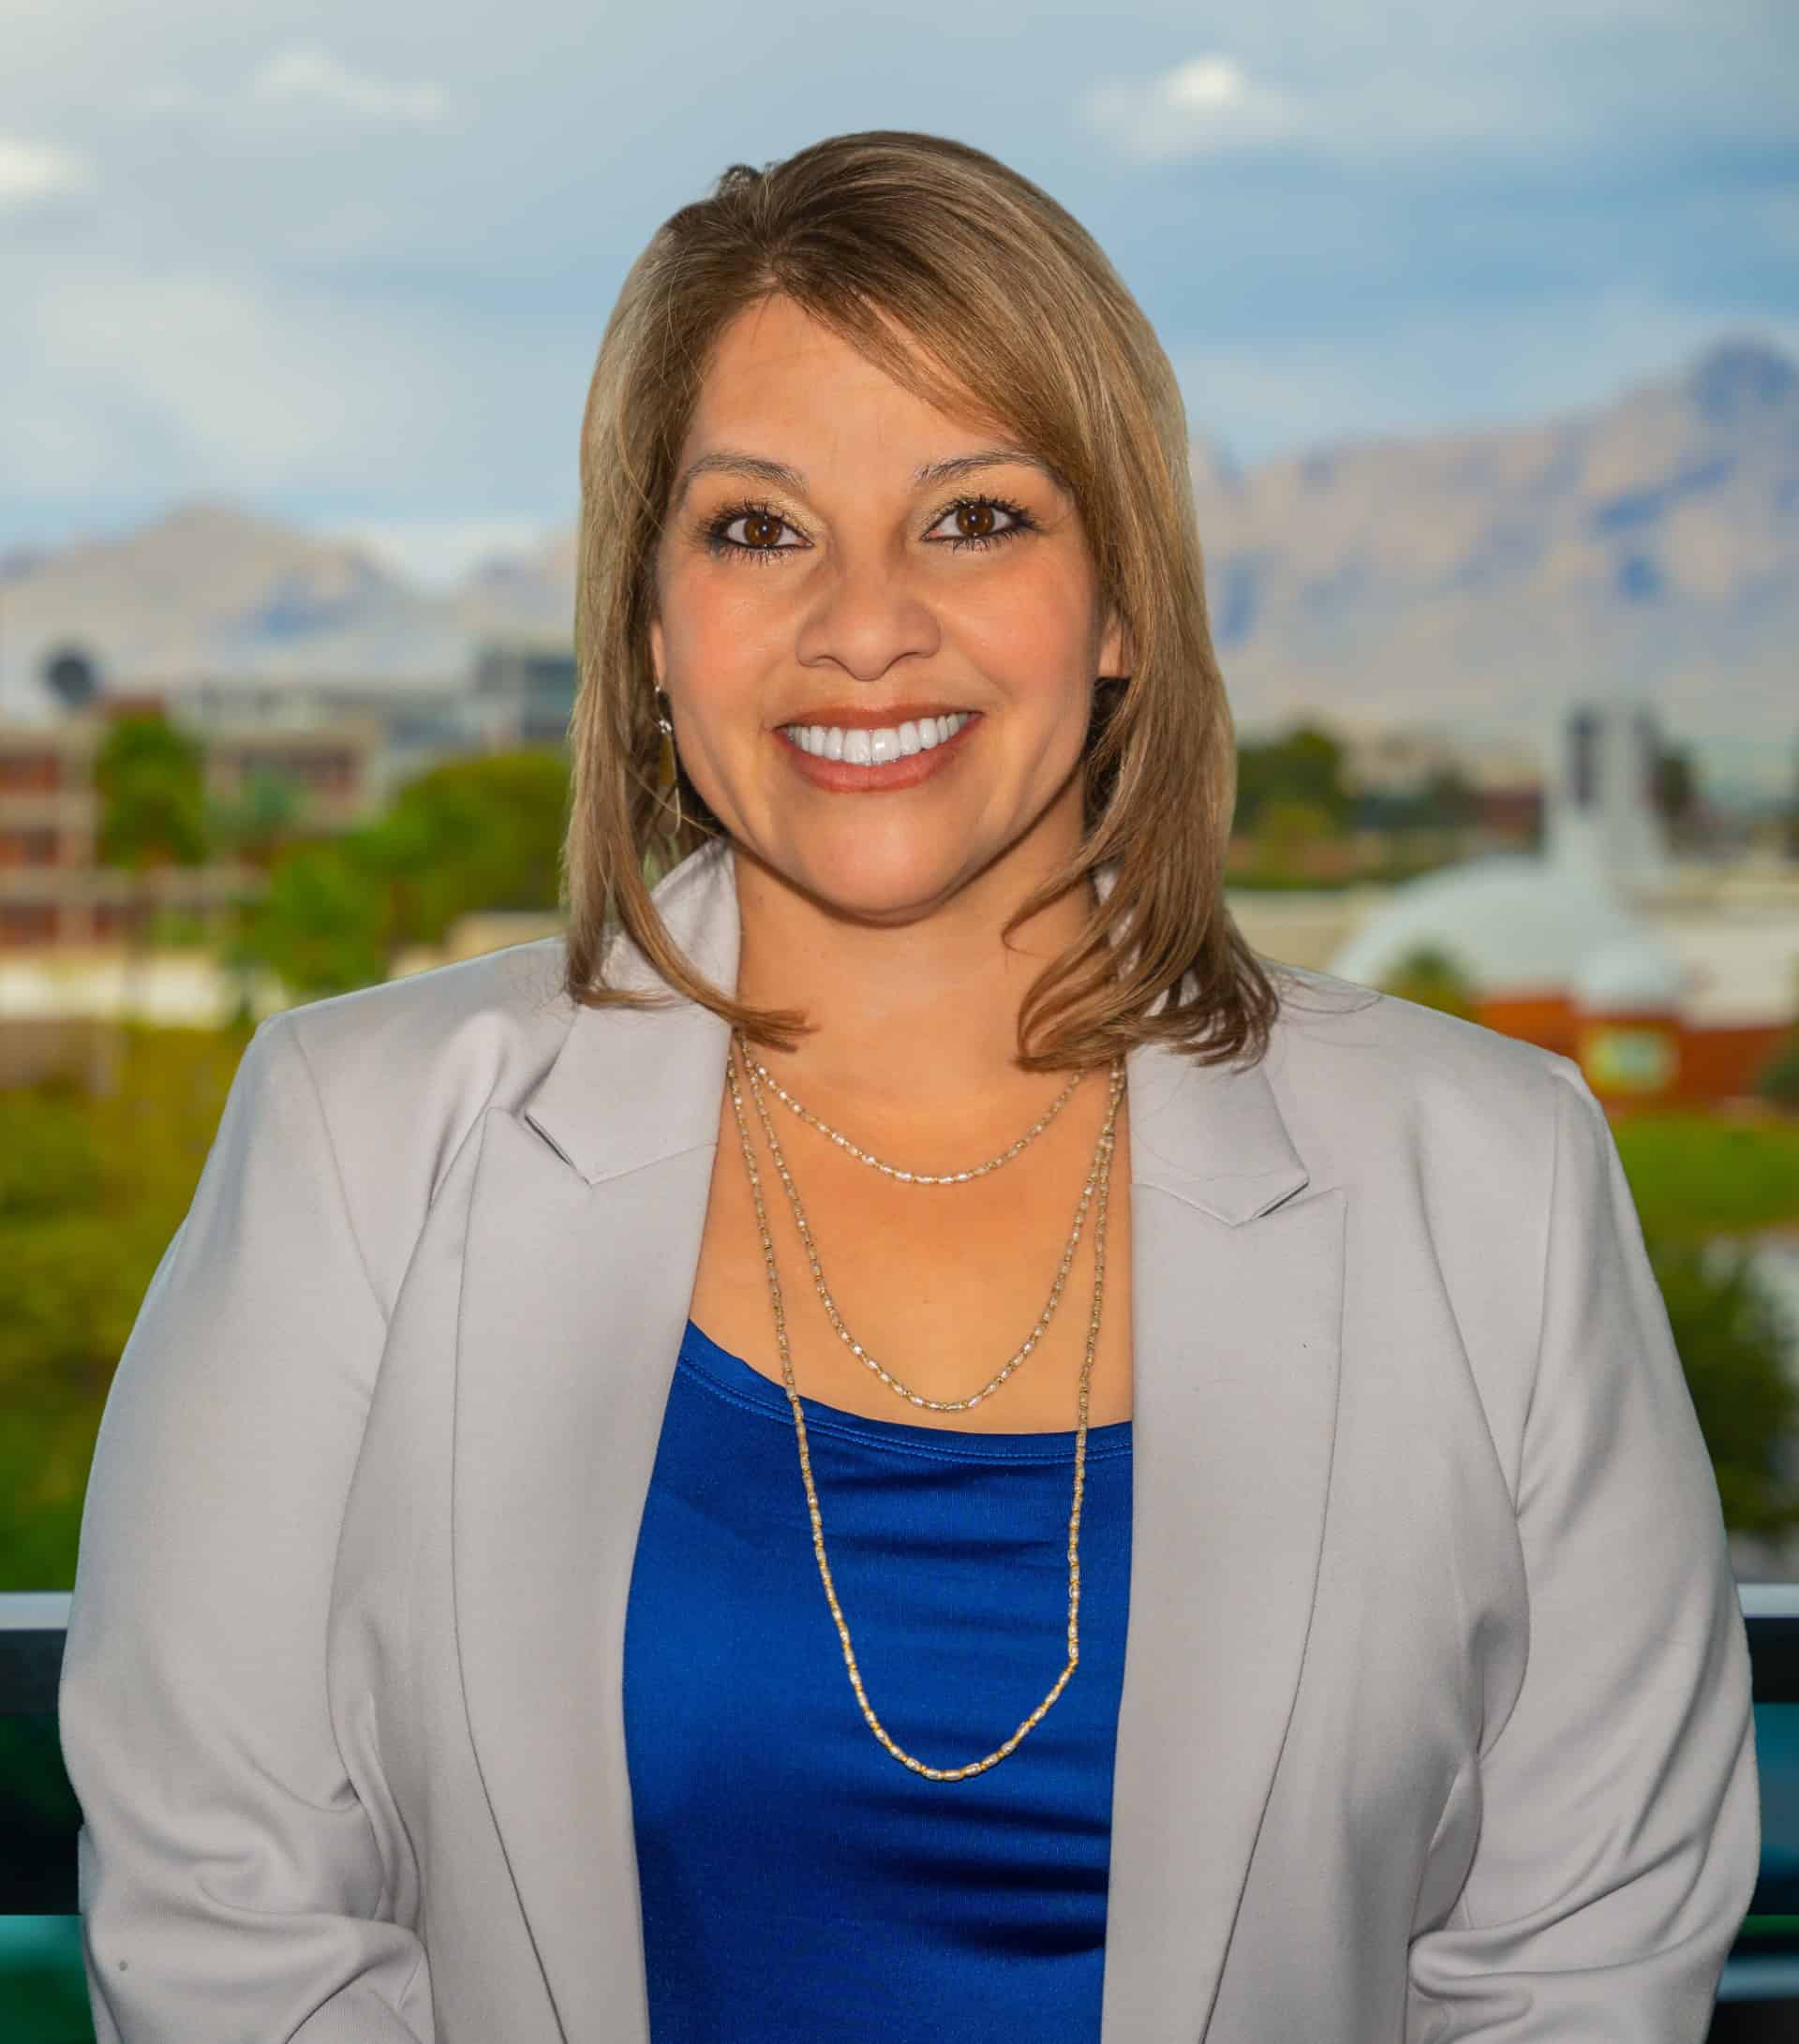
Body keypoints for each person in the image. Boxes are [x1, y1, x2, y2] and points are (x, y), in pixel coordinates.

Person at [59, 128, 1756, 2043]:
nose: (864, 625)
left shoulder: (1497, 1182)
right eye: (758, 528)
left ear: (1122, 603)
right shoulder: (353, 1147)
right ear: (646, 621)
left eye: (976, 517)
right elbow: (224, 1925)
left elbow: (1583, 1956)